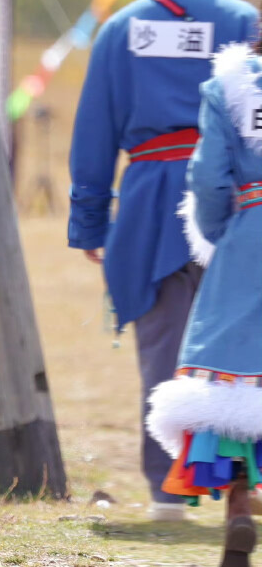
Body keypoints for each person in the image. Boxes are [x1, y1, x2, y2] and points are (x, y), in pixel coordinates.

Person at [67, 0, 259, 522]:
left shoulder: (119, 29)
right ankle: (241, 486)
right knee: (245, 345)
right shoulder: (243, 22)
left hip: (149, 198)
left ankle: (166, 494)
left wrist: (91, 225)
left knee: (159, 344)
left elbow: (93, 134)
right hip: (238, 200)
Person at [147, 32, 262, 567]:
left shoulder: (232, 87)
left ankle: (240, 505)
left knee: (236, 386)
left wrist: (222, 235)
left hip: (250, 239)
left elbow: (210, 178)